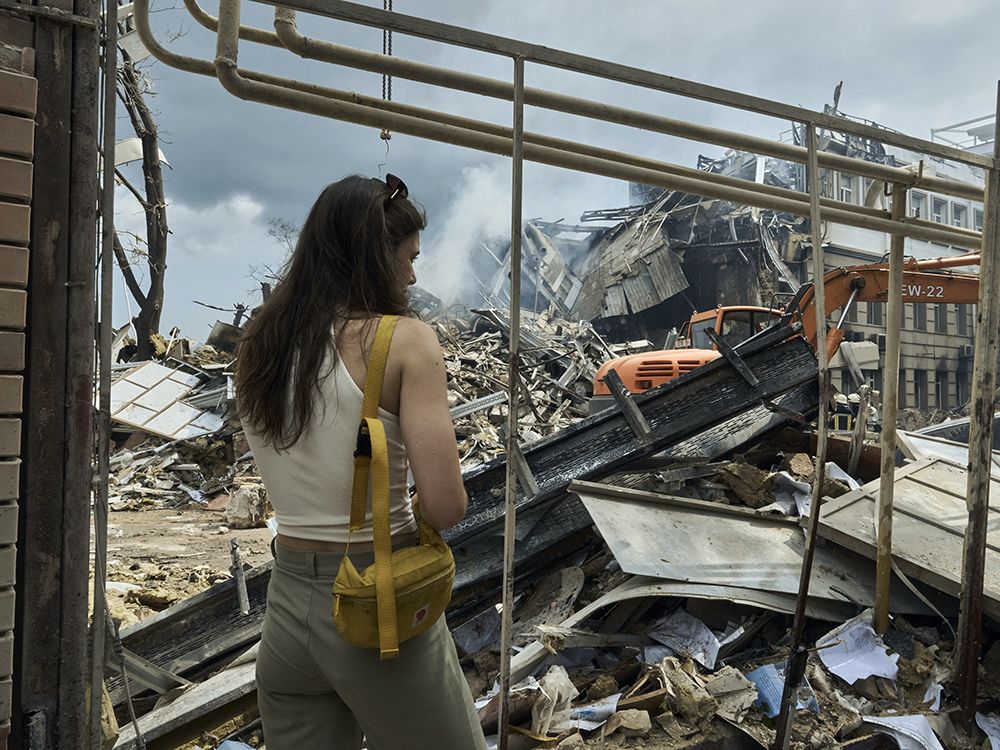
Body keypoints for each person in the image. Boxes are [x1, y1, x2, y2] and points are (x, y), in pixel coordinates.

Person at [236, 174, 487, 750]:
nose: (414, 274)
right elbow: (447, 506)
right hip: (376, 609)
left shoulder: (260, 344)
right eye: (408, 257)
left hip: (287, 608)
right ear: (377, 257)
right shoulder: (404, 341)